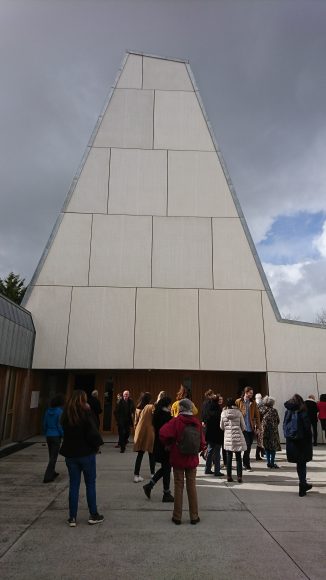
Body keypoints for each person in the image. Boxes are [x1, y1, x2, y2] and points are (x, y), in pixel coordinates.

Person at [60, 390, 104, 526]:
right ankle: (93, 514)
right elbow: (92, 432)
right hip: (86, 454)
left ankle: (72, 517)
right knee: (90, 484)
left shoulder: (65, 415)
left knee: (74, 485)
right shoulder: (85, 414)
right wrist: (97, 446)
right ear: (82, 401)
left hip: (71, 455)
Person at [159, 398, 205, 525]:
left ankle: (177, 516)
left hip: (178, 457)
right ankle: (194, 516)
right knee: (192, 487)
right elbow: (202, 442)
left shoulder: (176, 421)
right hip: (192, 459)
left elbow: (162, 433)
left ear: (180, 409)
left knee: (178, 487)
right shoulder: (196, 422)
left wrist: (170, 444)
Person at [143, 396, 174, 502]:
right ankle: (166, 493)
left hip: (159, 445)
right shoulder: (166, 416)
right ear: (167, 405)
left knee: (166, 468)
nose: (171, 406)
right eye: (170, 404)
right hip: (166, 445)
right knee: (167, 468)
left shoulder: (157, 414)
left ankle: (150, 485)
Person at [283, 394, 313, 497]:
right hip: (302, 442)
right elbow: (307, 428)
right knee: (302, 464)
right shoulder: (303, 412)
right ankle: (302, 486)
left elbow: (284, 426)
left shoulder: (288, 411)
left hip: (292, 442)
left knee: (299, 464)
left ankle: (303, 484)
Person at [220, 398, 247, 483]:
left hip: (228, 438)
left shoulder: (223, 413)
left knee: (229, 457)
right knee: (238, 458)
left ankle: (229, 476)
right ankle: (239, 477)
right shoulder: (238, 413)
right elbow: (243, 426)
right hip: (238, 437)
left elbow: (221, 427)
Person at [235, 387, 260, 471]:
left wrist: (258, 427)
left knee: (248, 446)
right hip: (242, 428)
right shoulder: (238, 401)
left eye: (252, 393)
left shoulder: (253, 403)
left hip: (250, 428)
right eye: (250, 393)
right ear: (246, 392)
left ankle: (245, 463)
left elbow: (257, 415)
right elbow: (235, 413)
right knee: (245, 445)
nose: (251, 395)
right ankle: (244, 463)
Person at [133, 392, 155, 482]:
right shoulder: (151, 407)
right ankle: (153, 473)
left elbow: (135, 422)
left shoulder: (138, 408)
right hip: (149, 432)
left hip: (140, 432)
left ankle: (136, 475)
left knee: (140, 454)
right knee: (151, 453)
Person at [42, 394, 65, 483]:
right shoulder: (59, 412)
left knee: (51, 454)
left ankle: (52, 471)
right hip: (56, 436)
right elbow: (59, 425)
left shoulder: (47, 411)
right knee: (53, 456)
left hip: (49, 435)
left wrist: (45, 433)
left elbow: (44, 423)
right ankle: (48, 476)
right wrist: (62, 434)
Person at [203, 394, 224, 476]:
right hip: (218, 434)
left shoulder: (208, 409)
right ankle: (217, 471)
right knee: (217, 453)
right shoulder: (219, 410)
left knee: (210, 451)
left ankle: (207, 469)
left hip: (210, 433)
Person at [260, 396, 281, 468]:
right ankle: (272, 462)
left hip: (264, 431)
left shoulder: (262, 410)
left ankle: (268, 462)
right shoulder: (274, 411)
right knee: (273, 447)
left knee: (266, 447)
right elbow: (278, 421)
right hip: (273, 431)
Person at [255, 393, 265, 460]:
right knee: (260, 440)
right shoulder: (261, 405)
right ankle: (259, 454)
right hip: (260, 424)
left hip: (256, 424)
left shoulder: (254, 404)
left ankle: (261, 453)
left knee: (259, 439)